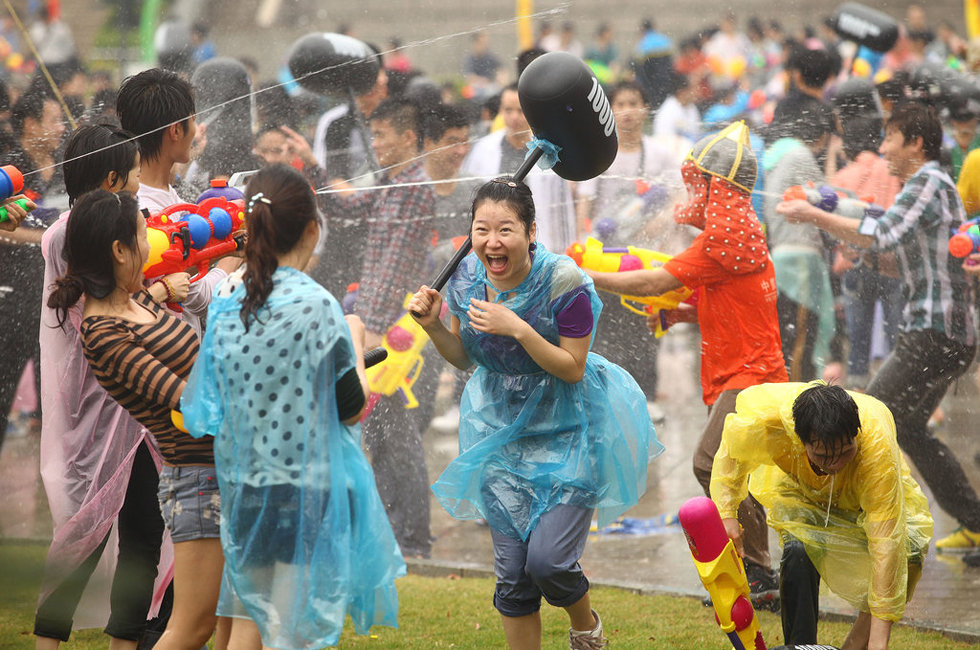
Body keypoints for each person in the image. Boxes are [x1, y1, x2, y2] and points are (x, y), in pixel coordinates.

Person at [409, 177, 662, 650]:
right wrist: (433, 327)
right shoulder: (465, 276)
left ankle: (586, 628)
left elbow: (572, 368)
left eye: (505, 229)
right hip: (501, 431)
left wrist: (519, 328)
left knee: (549, 563)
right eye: (481, 229)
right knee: (513, 578)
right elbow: (466, 356)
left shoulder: (566, 282)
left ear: (531, 231)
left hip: (570, 427)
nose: (492, 242)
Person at [180, 164, 405, 649]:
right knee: (279, 626)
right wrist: (355, 337)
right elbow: (349, 409)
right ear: (312, 229)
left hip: (244, 486)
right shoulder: (317, 306)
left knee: (246, 616)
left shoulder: (228, 300)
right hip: (300, 490)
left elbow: (208, 404)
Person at [586, 122, 787, 606]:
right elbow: (729, 299)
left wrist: (584, 277)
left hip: (751, 377)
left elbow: (654, 281)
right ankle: (761, 571)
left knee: (712, 463)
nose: (694, 192)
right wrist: (684, 311)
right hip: (749, 373)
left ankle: (760, 568)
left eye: (701, 183)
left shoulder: (726, 240)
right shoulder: (738, 235)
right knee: (743, 472)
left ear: (719, 188)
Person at [778, 101, 980, 556]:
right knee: (907, 429)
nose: (884, 147)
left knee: (866, 415)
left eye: (891, 138)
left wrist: (815, 215)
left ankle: (852, 521)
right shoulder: (924, 186)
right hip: (942, 334)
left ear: (916, 143)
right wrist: (830, 210)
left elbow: (881, 233)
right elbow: (884, 237)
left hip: (936, 332)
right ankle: (974, 521)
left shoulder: (928, 180)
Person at [46, 190, 229, 649]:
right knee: (194, 625)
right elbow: (189, 403)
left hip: (229, 467)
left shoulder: (139, 301)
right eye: (143, 236)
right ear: (119, 250)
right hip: (200, 479)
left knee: (235, 617)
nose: (153, 244)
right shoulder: (104, 333)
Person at [34, 124, 186, 649]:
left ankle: (126, 640)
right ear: (111, 177)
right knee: (83, 535)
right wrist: (164, 289)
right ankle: (48, 639)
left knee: (143, 529)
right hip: (102, 408)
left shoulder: (96, 225)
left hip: (134, 416)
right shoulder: (71, 235)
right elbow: (104, 314)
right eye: (132, 177)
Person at [710, 382, 933, 650]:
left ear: (856, 434)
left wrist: (879, 643)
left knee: (908, 550)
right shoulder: (771, 422)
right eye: (823, 456)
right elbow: (732, 452)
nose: (836, 464)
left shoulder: (876, 450)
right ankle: (800, 646)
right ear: (799, 439)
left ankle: (857, 644)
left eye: (845, 452)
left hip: (860, 496)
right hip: (801, 491)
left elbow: (886, 541)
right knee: (799, 552)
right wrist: (726, 513)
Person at [318, 97, 437, 558]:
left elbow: (391, 265)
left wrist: (367, 327)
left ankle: (411, 537)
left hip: (390, 328)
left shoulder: (413, 187)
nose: (377, 144)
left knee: (396, 434)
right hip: (381, 319)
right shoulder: (396, 182)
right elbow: (356, 201)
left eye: (384, 135)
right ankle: (398, 530)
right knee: (383, 433)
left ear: (409, 138)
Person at [575, 80, 680, 404]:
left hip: (648, 255)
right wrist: (585, 238)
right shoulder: (599, 152)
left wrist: (658, 221)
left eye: (633, 103)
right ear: (609, 110)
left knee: (646, 321)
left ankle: (646, 396)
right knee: (607, 324)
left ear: (645, 109)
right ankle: (609, 395)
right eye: (619, 104)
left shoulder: (661, 154)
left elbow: (677, 197)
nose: (627, 111)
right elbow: (585, 201)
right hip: (608, 255)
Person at [116, 67, 241, 337]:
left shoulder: (150, 194)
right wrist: (238, 250)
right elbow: (199, 298)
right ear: (175, 130)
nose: (195, 130)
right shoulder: (150, 212)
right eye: (193, 121)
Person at [763, 95, 838, 381]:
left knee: (788, 334)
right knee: (802, 339)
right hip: (801, 259)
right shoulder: (801, 156)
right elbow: (830, 199)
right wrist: (831, 156)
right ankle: (800, 400)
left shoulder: (777, 156)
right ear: (821, 135)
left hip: (782, 254)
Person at [462, 83, 577, 254]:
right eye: (508, 110)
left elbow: (561, 213)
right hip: (494, 247)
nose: (514, 117)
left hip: (540, 248)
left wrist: (566, 254)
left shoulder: (549, 150)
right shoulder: (484, 149)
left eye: (520, 110)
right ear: (501, 110)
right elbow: (471, 201)